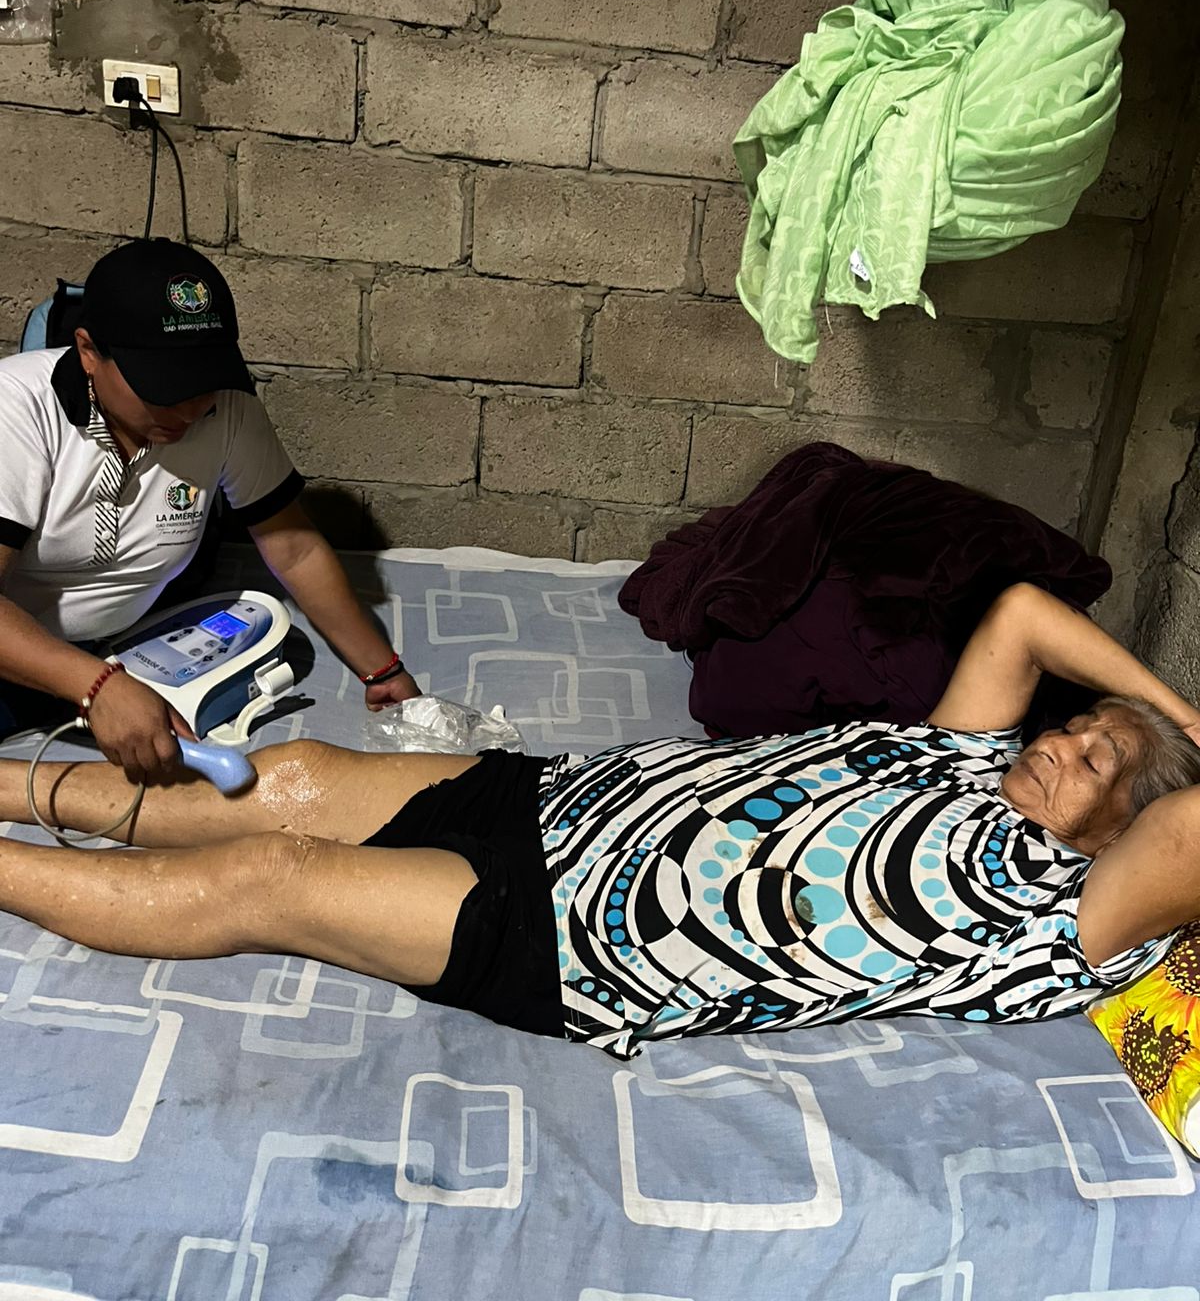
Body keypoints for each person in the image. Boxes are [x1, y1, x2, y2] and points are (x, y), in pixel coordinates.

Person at [3, 582, 1200, 1058]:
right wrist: (1167, 712)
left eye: (1095, 759)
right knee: (296, 771)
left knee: (277, 873)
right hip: (562, 795)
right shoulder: (966, 750)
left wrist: (1178, 749)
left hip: (587, 935)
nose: (1057, 741)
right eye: (1075, 726)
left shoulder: (1065, 920)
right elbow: (1023, 613)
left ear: (1125, 835)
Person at [0, 238, 418, 774]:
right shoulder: (19, 410)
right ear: (87, 351)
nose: (191, 409)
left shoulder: (225, 410)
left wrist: (382, 672)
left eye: (203, 382)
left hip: (135, 638)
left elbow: (293, 549)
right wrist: (96, 685)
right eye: (163, 388)